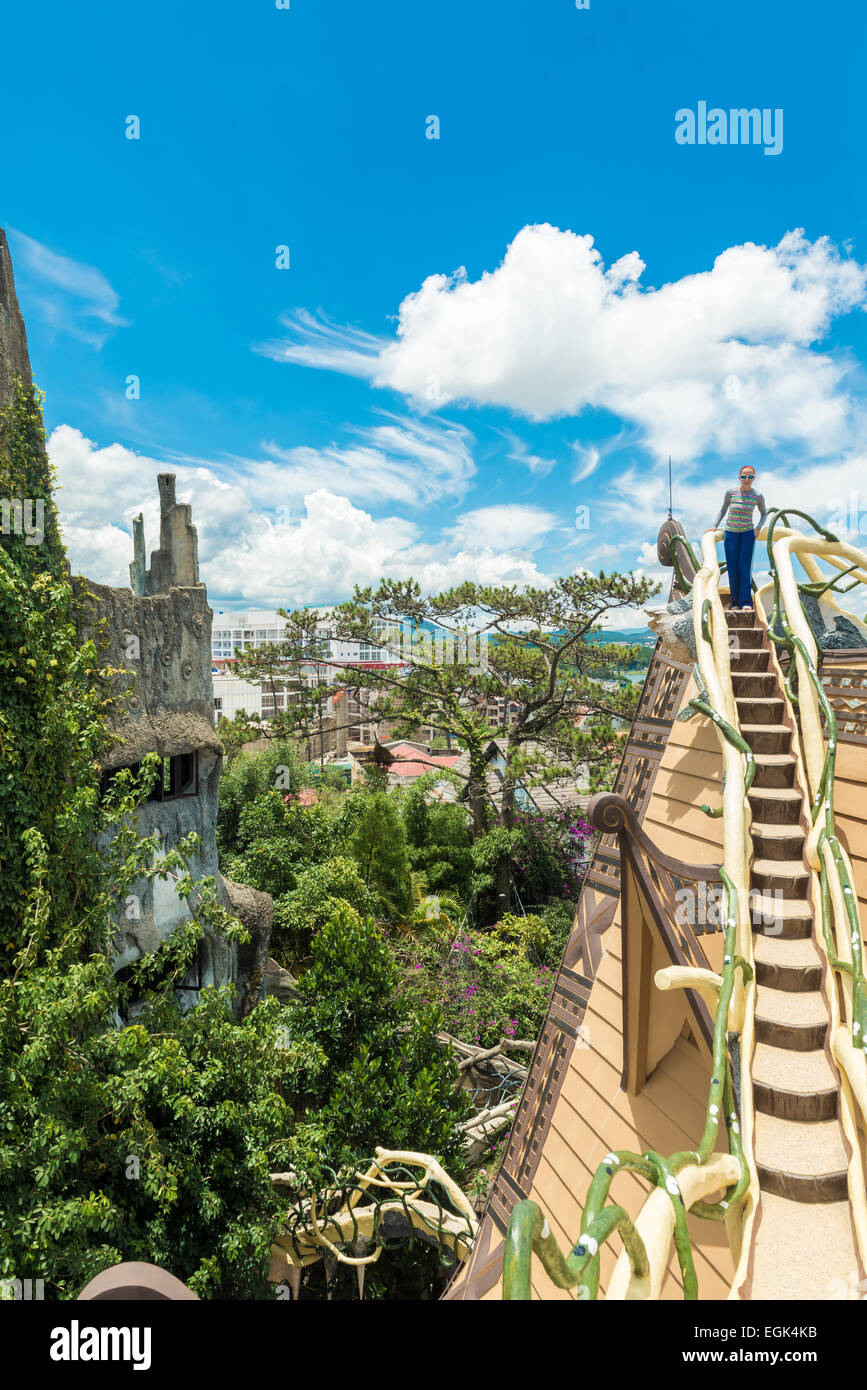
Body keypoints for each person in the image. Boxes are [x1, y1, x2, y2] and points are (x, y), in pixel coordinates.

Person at [707, 468, 767, 611]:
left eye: (750, 476)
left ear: (754, 478)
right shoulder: (730, 493)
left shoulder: (757, 495)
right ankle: (734, 603)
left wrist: (758, 527)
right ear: (739, 477)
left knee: (744, 567)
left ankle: (745, 602)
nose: (747, 479)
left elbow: (764, 514)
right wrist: (714, 526)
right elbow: (722, 510)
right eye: (744, 476)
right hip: (731, 534)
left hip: (747, 534)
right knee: (733, 568)